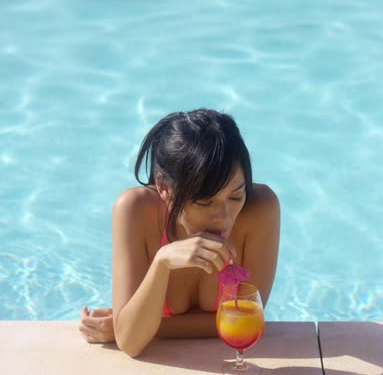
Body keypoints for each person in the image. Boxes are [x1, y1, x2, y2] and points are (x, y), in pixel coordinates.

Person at [79, 108, 280, 357]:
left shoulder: (260, 209)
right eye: (206, 202)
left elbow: (248, 323)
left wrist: (138, 325)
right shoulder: (135, 210)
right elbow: (131, 344)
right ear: (164, 187)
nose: (226, 216)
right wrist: (161, 263)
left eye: (236, 195)